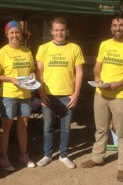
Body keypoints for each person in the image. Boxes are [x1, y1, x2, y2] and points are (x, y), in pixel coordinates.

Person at [81, 14, 123, 182]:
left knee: (122, 132)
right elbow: (97, 66)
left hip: (121, 96)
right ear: (111, 27)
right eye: (115, 25)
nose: (118, 28)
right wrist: (97, 78)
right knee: (100, 129)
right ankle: (97, 157)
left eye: (121, 25)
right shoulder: (104, 44)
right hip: (101, 94)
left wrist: (119, 83)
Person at [35, 17, 84, 169]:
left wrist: (76, 94)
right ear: (51, 31)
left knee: (66, 128)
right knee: (47, 127)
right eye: (56, 30)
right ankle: (47, 155)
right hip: (48, 95)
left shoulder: (75, 48)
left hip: (68, 96)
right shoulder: (43, 48)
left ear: (67, 31)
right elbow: (39, 74)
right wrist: (41, 93)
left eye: (62, 30)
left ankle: (63, 155)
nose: (59, 33)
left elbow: (80, 72)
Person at [0, 20, 36, 171]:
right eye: (11, 32)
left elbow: (32, 69)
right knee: (6, 127)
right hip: (9, 95)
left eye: (17, 32)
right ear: (7, 34)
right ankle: (3, 158)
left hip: (25, 94)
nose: (15, 35)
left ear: (21, 34)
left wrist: (32, 74)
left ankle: (23, 155)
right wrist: (10, 79)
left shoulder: (27, 51)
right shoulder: (2, 52)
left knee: (23, 126)